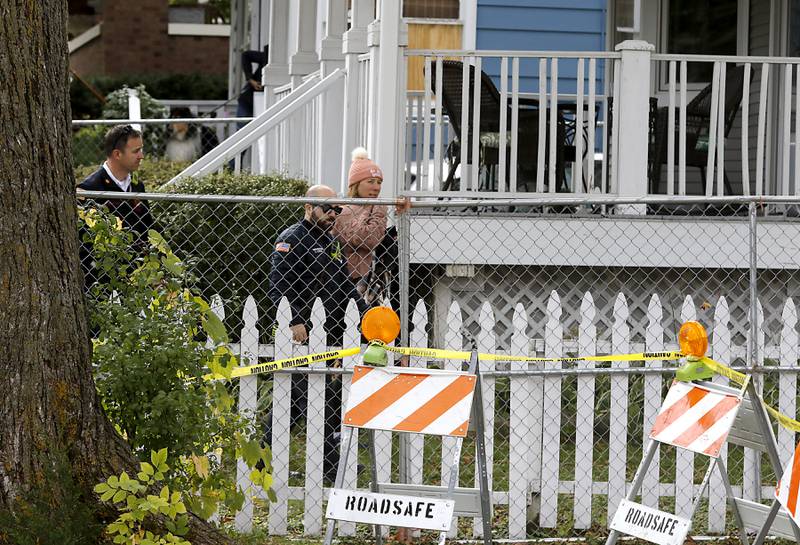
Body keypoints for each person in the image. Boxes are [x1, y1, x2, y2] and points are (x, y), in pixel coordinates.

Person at [265, 184, 367, 483]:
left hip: (329, 332)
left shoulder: (329, 241)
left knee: (306, 401)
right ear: (309, 208)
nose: (333, 215)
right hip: (303, 335)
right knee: (301, 399)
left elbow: (344, 284)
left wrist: (364, 311)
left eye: (337, 210)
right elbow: (279, 284)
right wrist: (295, 321)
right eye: (327, 208)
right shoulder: (292, 239)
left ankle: (266, 455)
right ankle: (328, 464)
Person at [77, 124, 154, 289]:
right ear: (117, 154)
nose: (141, 156)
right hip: (102, 281)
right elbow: (83, 245)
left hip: (138, 277)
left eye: (141, 149)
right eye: (136, 151)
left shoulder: (137, 186)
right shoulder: (89, 189)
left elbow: (148, 228)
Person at [331, 147, 388, 306]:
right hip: (349, 278)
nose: (376, 187)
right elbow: (367, 239)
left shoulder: (368, 206)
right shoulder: (344, 209)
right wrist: (378, 210)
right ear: (355, 184)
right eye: (370, 181)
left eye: (379, 182)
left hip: (369, 279)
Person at [237, 46, 269, 122]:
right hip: (248, 100)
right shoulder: (267, 56)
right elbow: (246, 55)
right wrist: (251, 80)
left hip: (261, 102)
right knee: (243, 128)